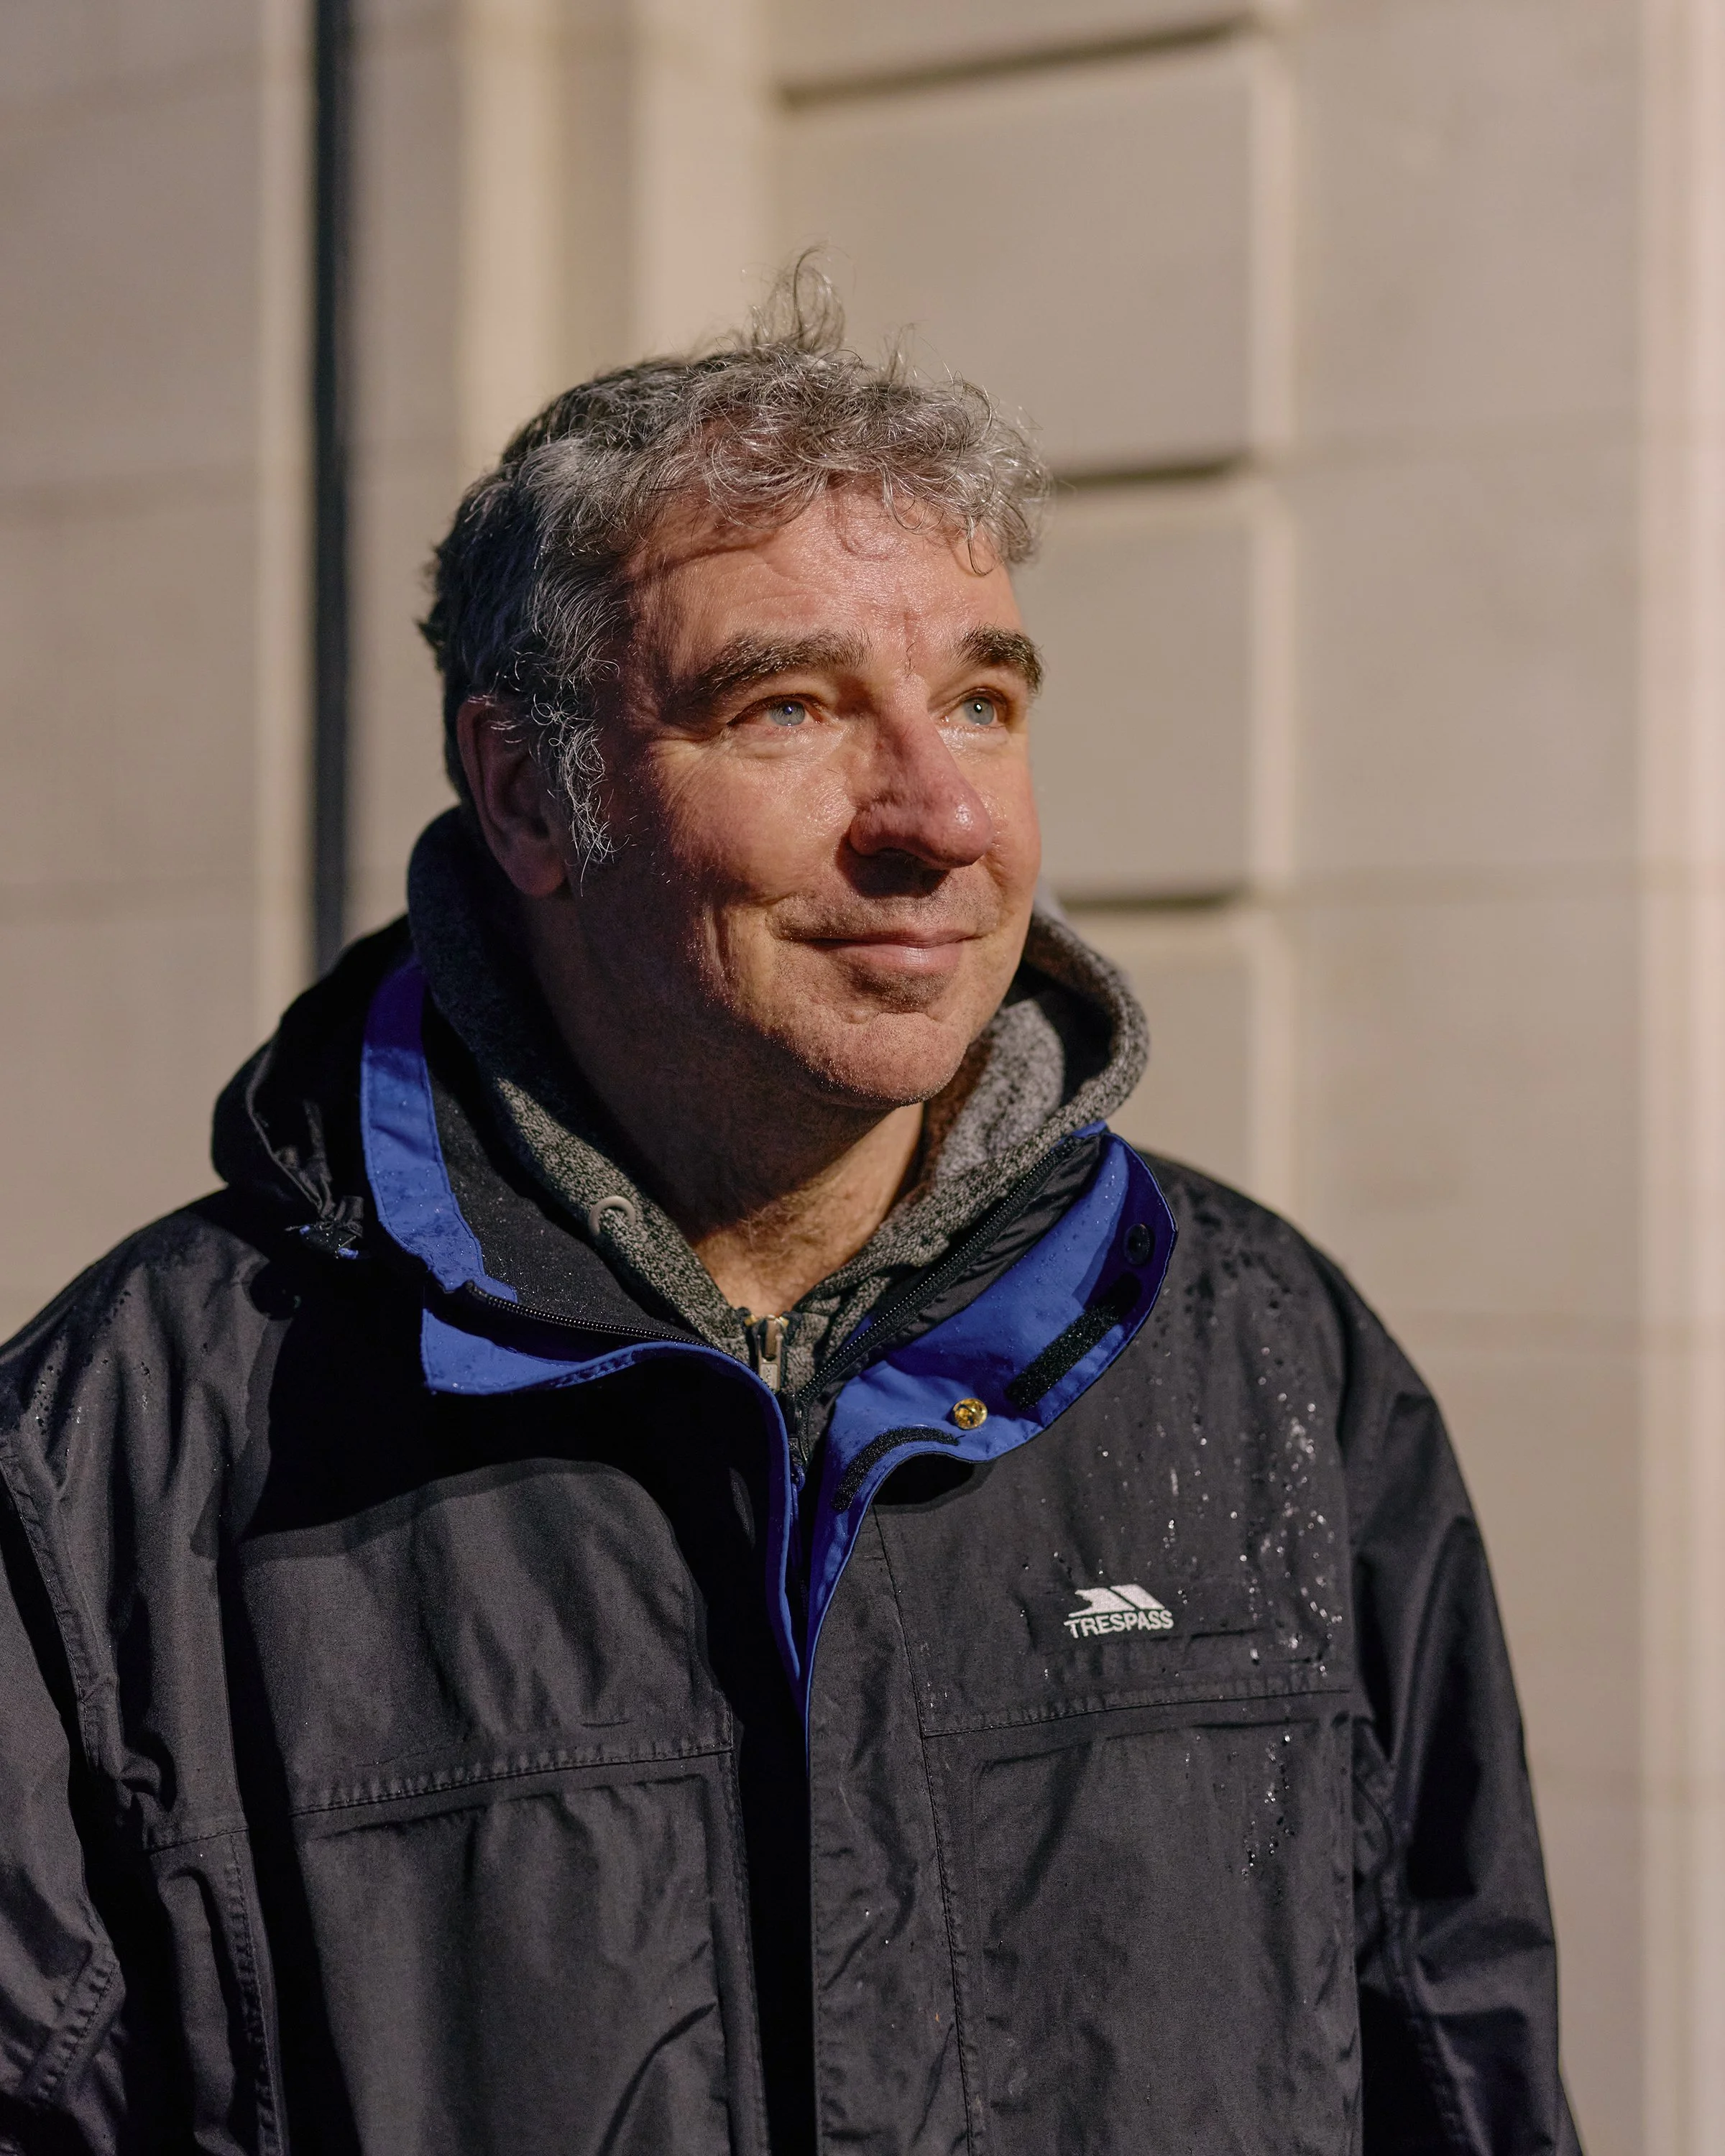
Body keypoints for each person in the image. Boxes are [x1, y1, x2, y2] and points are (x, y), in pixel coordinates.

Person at [0, 275, 1580, 2156]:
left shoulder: (1269, 1368)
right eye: (790, 707)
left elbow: (1467, 2075)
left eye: (982, 699)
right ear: (528, 792)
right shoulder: (138, 1458)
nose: (939, 816)